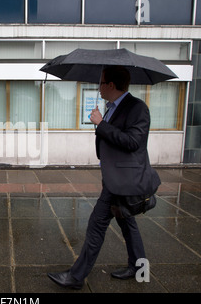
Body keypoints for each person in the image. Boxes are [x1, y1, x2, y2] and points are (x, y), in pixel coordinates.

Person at [47, 65, 161, 290]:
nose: (98, 87)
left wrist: (101, 124)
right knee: (127, 222)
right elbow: (113, 137)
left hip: (123, 181)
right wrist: (103, 124)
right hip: (115, 177)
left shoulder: (137, 108)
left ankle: (76, 277)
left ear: (111, 85)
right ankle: (139, 268)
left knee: (96, 225)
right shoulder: (112, 107)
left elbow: (133, 142)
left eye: (101, 82)